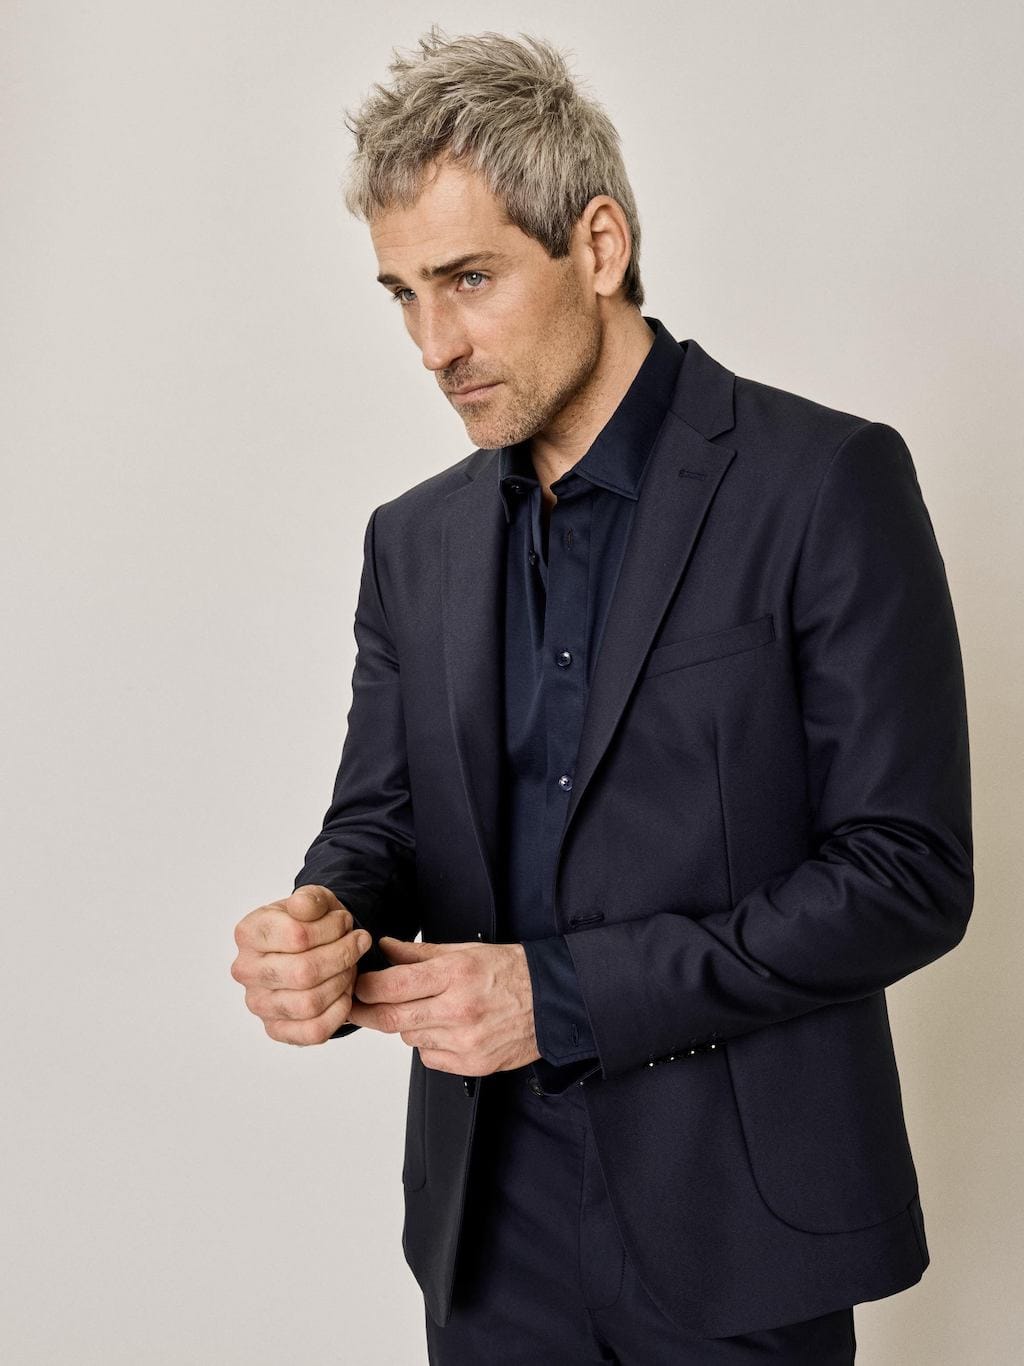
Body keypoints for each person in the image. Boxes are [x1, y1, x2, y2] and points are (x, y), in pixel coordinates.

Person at [229, 26, 973, 1365]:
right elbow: (384, 821)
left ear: (599, 245)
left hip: (742, 1234)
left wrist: (562, 997)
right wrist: (325, 919)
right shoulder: (413, 541)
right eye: (402, 293)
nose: (433, 343)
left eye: (469, 278)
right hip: (487, 1232)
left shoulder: (823, 484)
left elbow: (905, 872)